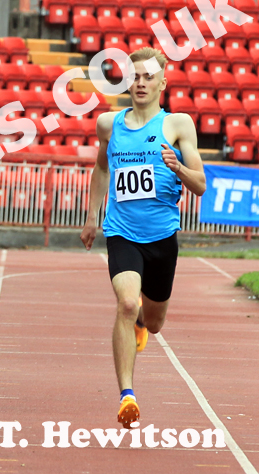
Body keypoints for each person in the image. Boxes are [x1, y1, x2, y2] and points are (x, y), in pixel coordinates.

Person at [80, 47, 206, 429]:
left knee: (153, 323)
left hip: (163, 238)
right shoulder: (108, 124)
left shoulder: (179, 125)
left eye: (148, 77)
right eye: (134, 76)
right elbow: (101, 168)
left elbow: (199, 185)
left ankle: (140, 327)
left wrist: (178, 167)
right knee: (127, 303)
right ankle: (127, 395)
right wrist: (91, 217)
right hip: (122, 233)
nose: (140, 82)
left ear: (162, 83)